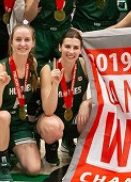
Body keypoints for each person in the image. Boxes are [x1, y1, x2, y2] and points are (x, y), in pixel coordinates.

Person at [0, 24, 42, 182]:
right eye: (18, 39)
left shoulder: (33, 65)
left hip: (19, 123)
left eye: (27, 40)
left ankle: (10, 146)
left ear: (33, 43)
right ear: (11, 42)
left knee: (33, 169)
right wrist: (1, 86)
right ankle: (2, 160)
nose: (22, 44)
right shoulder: (1, 67)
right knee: (3, 117)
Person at [37, 29, 91, 165]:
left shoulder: (84, 65)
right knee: (51, 125)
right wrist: (55, 85)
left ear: (80, 50)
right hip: (51, 118)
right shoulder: (48, 69)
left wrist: (87, 103)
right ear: (60, 47)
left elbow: (101, 91)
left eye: (75, 48)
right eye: (67, 46)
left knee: (95, 113)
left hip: (73, 117)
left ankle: (76, 144)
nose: (71, 51)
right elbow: (48, 111)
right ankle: (51, 149)